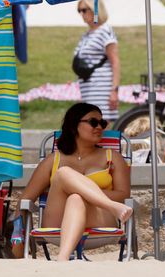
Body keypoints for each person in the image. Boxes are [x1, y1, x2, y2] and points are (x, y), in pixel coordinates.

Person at [14, 102, 132, 260]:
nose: (99, 127)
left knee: (75, 198)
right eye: (93, 122)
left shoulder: (112, 157)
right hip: (57, 221)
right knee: (63, 174)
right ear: (74, 124)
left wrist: (83, 193)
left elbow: (124, 195)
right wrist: (17, 244)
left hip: (100, 219)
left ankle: (62, 259)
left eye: (102, 123)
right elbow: (25, 201)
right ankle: (111, 206)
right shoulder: (53, 160)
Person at [72, 0, 121, 121]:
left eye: (84, 10)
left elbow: (115, 62)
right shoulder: (87, 35)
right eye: (79, 11)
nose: (82, 14)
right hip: (89, 90)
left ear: (95, 9)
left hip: (102, 90)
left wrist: (114, 91)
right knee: (91, 130)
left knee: (99, 129)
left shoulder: (104, 30)